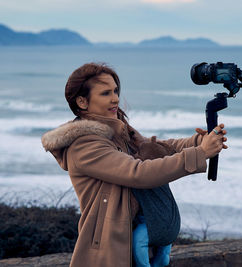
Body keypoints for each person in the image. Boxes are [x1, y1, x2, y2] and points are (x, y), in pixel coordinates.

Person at [41, 62, 227, 267]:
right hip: (108, 251)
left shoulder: (120, 132)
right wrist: (200, 154)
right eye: (105, 93)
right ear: (82, 102)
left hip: (136, 243)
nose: (115, 98)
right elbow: (138, 173)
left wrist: (199, 142)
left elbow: (158, 149)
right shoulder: (85, 145)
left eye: (115, 91)